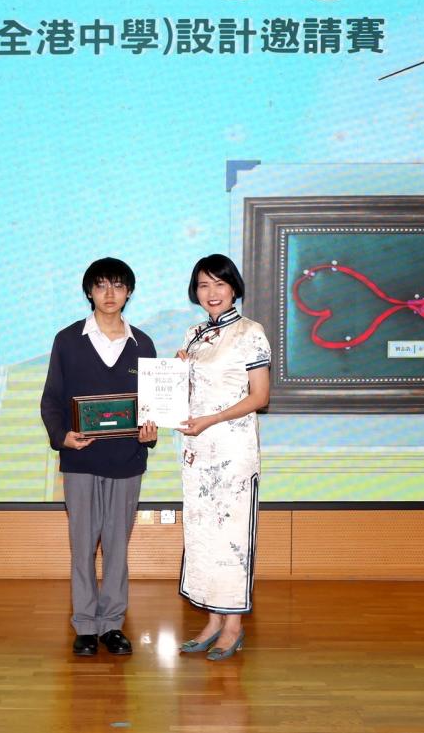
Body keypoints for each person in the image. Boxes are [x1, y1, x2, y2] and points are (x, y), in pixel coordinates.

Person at [40, 257, 158, 657]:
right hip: (81, 460)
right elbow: (51, 399)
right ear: (89, 291)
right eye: (102, 285)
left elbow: (153, 405)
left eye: (118, 285)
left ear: (129, 292)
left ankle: (112, 625)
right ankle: (85, 625)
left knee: (117, 547)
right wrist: (62, 437)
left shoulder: (143, 344)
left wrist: (151, 432)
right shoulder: (67, 340)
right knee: (83, 546)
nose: (110, 293)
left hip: (127, 460)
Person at [175, 253, 271, 661]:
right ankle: (213, 621)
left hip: (233, 453)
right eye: (203, 285)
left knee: (231, 539)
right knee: (203, 536)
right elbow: (185, 394)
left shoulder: (251, 332)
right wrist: (175, 375)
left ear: (234, 288)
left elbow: (260, 396)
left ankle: (233, 627)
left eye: (219, 283)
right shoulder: (193, 335)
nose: (211, 292)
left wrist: (212, 419)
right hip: (197, 452)